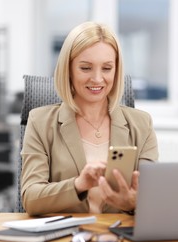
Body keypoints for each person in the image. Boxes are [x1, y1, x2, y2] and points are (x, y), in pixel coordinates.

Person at [21, 21, 158, 216]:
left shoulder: (141, 124)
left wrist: (132, 203)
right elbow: (31, 199)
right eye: (85, 68)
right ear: (68, 69)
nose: (97, 78)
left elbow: (152, 196)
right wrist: (78, 184)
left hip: (120, 241)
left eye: (107, 68)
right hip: (65, 240)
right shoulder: (40, 122)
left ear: (116, 71)